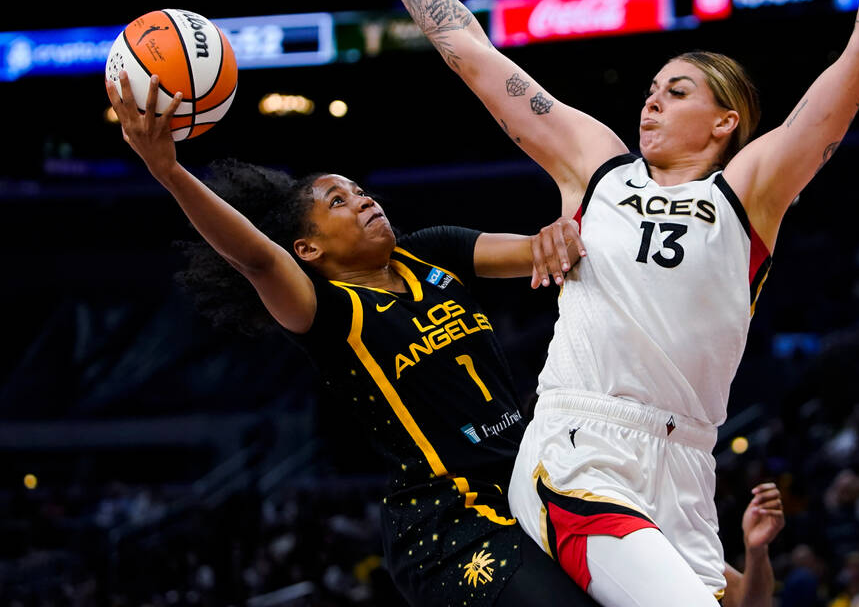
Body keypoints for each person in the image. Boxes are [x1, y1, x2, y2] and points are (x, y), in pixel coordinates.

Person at [356, 0, 859, 604]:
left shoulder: (752, 193)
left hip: (687, 471)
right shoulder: (595, 166)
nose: (651, 98)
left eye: (677, 91)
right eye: (651, 86)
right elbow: (471, 52)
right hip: (581, 450)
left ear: (725, 122)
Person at [103, 69, 599, 606]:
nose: (363, 199)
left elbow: (546, 253)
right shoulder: (330, 314)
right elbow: (256, 258)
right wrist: (170, 171)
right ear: (309, 250)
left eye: (359, 190)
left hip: (534, 481)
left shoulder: (432, 252)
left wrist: (559, 233)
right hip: (447, 521)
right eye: (337, 202)